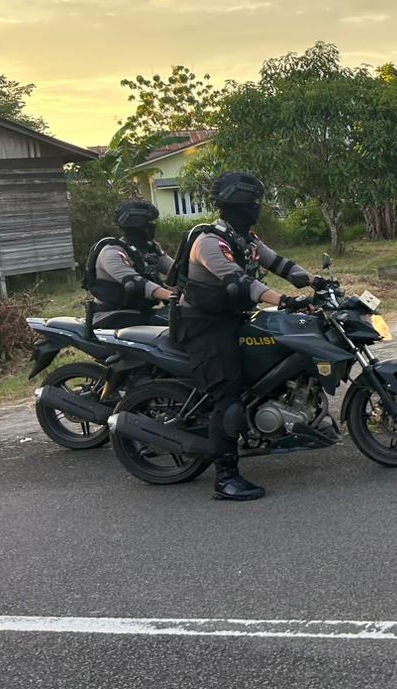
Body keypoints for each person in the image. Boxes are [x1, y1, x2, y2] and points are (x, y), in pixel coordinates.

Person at [176, 171, 316, 502]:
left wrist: (317, 281)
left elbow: (281, 265)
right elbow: (243, 282)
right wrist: (285, 301)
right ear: (236, 206)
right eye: (252, 204)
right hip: (203, 326)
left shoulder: (246, 239)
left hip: (232, 319)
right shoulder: (209, 242)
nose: (257, 208)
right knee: (228, 397)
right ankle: (225, 478)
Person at [82, 200, 175, 330]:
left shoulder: (150, 248)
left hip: (139, 312)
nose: (152, 227)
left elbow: (175, 269)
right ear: (138, 227)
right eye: (148, 224)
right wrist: (174, 296)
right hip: (111, 316)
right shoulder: (112, 252)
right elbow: (136, 284)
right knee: (168, 329)